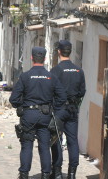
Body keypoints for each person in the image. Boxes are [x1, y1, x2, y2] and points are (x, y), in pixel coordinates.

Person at [9, 47, 66, 179]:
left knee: (26, 145)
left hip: (28, 114)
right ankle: (45, 174)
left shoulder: (25, 76)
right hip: (45, 115)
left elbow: (13, 99)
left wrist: (21, 106)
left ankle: (24, 174)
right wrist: (53, 108)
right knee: (44, 146)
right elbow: (62, 97)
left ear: (31, 58)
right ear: (45, 59)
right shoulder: (51, 77)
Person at [50, 40, 86, 179]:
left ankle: (57, 172)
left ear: (59, 52)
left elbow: (50, 90)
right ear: (69, 51)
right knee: (72, 141)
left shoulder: (55, 71)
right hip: (72, 109)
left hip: (59, 109)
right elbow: (82, 91)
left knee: (57, 140)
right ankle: (72, 174)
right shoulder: (79, 70)